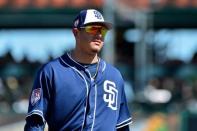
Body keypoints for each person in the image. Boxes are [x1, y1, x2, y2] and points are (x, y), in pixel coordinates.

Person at [24, 9, 132, 131]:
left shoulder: (114, 76)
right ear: (76, 32)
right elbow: (35, 123)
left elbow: (122, 126)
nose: (99, 35)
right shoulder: (51, 71)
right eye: (92, 29)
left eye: (102, 30)